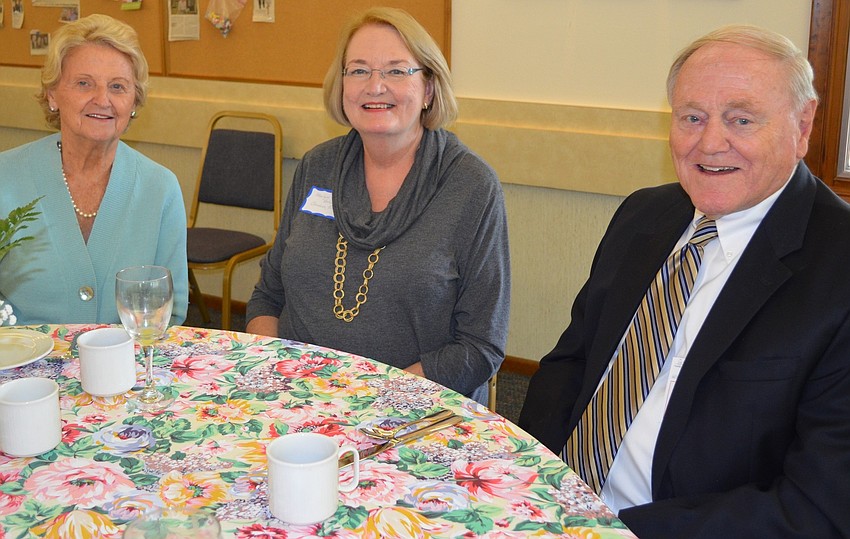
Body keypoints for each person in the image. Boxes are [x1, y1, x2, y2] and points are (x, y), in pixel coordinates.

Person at [519, 25, 850, 538]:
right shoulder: (643, 214)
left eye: (741, 119)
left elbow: (819, 507)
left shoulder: (839, 268)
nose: (710, 142)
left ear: (801, 126)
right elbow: (571, 364)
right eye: (692, 117)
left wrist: (606, 532)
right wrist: (530, 485)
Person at [246, 7, 510, 406]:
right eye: (359, 70)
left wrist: (377, 399)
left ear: (429, 89)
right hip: (297, 396)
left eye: (396, 71)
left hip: (409, 409)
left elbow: (480, 346)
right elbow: (269, 293)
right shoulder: (317, 166)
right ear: (341, 86)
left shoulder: (471, 186)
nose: (375, 86)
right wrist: (276, 371)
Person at [0, 14, 188, 325]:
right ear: (52, 94)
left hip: (127, 366)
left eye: (117, 86)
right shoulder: (5, 177)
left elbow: (171, 313)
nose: (102, 99)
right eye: (84, 83)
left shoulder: (160, 189)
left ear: (134, 102)